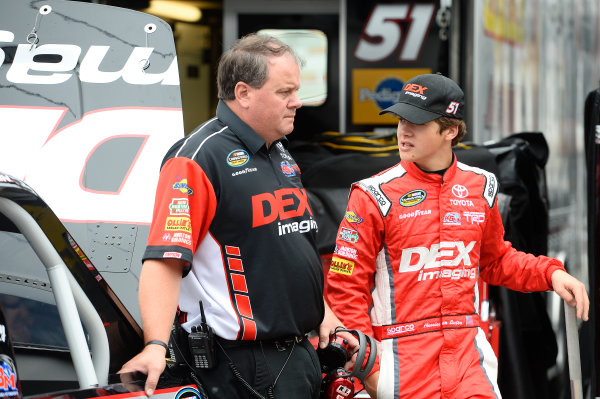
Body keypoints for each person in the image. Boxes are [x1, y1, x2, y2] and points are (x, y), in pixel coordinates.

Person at [324, 73, 590, 399]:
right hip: (398, 359)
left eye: (417, 123)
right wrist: (367, 365)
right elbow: (345, 287)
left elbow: (495, 260)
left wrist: (551, 273)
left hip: (467, 355)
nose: (403, 131)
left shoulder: (481, 186)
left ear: (450, 130)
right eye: (401, 120)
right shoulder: (372, 194)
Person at [119, 33, 354, 398]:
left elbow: (284, 245)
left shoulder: (278, 150)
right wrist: (155, 345)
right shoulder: (196, 159)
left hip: (298, 352)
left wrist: (322, 313)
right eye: (284, 92)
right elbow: (164, 260)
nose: (297, 102)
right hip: (243, 364)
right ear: (243, 93)